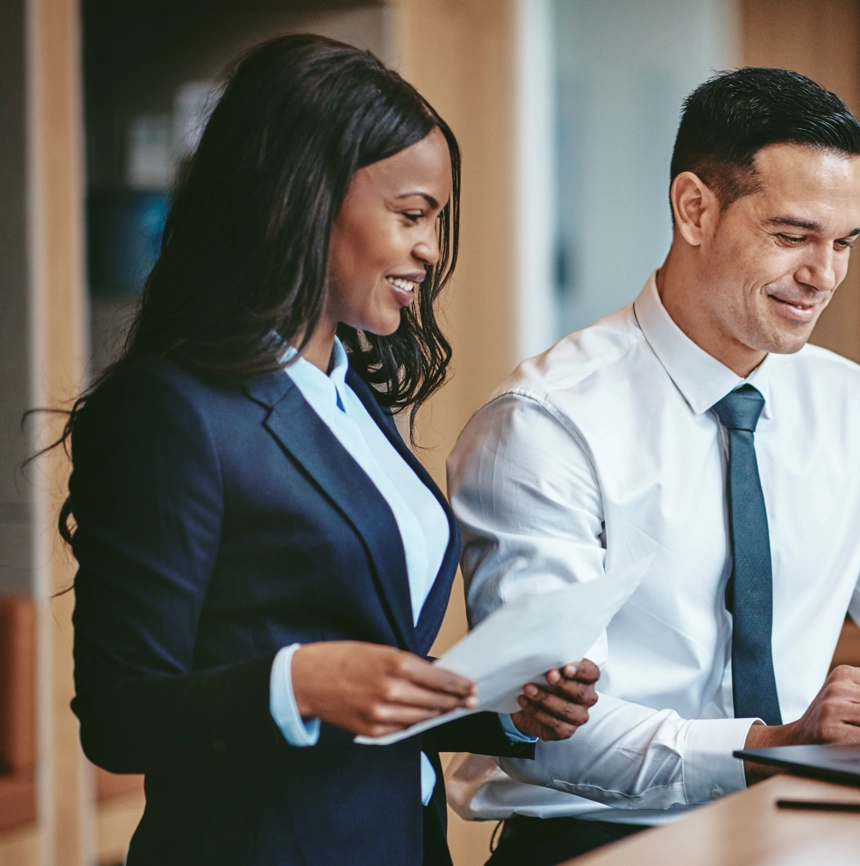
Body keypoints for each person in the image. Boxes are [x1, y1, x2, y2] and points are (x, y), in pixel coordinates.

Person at [63, 35, 599, 866]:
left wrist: (499, 707)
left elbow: (366, 680)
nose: (429, 248)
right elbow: (120, 712)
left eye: (437, 221)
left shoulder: (350, 398)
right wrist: (300, 681)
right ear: (308, 198)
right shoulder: (173, 412)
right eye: (411, 214)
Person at [448, 67, 860, 865]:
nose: (824, 276)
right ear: (695, 208)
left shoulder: (850, 404)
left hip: (801, 832)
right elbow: (552, 732)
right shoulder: (547, 423)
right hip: (595, 844)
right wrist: (773, 743)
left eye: (843, 243)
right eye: (793, 236)